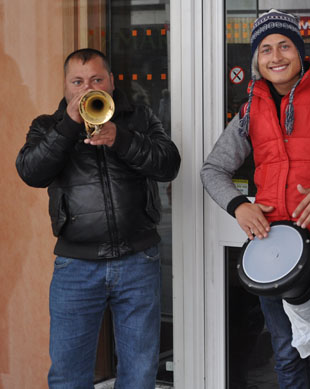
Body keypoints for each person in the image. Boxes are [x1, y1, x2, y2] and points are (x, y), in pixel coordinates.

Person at [200, 9, 310, 388]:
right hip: (273, 254)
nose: (276, 56)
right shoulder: (249, 112)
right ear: (257, 60)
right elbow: (212, 170)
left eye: (285, 46)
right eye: (266, 49)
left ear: (301, 53)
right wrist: (239, 206)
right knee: (286, 356)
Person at [15, 48, 181, 388]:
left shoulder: (139, 117)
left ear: (110, 81)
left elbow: (168, 164)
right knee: (68, 375)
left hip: (138, 260)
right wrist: (67, 129)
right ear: (65, 86)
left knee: (139, 374)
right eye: (77, 81)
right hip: (76, 266)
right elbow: (31, 171)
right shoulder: (47, 126)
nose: (86, 87)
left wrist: (121, 139)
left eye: (95, 79)